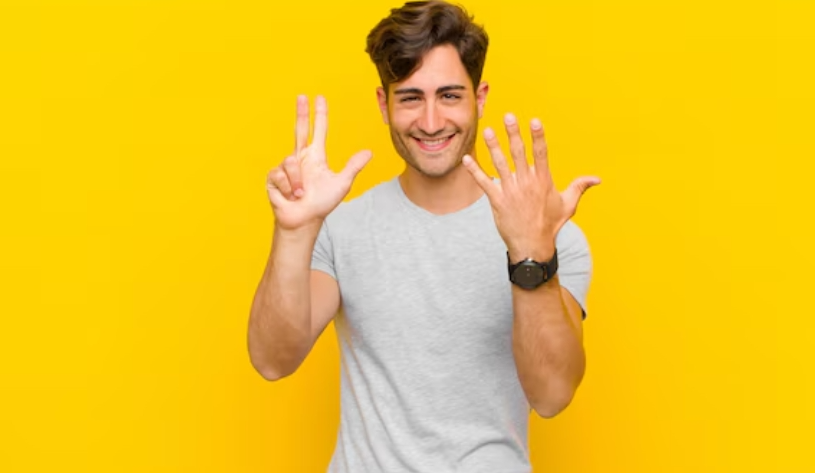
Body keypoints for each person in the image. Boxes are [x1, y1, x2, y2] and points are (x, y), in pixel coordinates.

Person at [248, 1, 600, 471]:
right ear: (384, 104)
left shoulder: (553, 238)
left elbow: (552, 395)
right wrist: (293, 231)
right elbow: (273, 360)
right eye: (411, 98)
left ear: (480, 97)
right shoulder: (343, 228)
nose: (431, 122)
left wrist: (530, 253)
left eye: (450, 96)